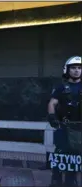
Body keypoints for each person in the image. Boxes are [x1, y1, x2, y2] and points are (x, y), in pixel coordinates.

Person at [47, 56, 82, 187]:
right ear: (67, 70)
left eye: (79, 68)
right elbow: (52, 103)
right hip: (64, 126)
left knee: (77, 156)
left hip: (80, 128)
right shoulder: (61, 87)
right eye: (73, 68)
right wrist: (52, 117)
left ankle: (71, 180)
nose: (77, 71)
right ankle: (56, 179)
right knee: (60, 153)